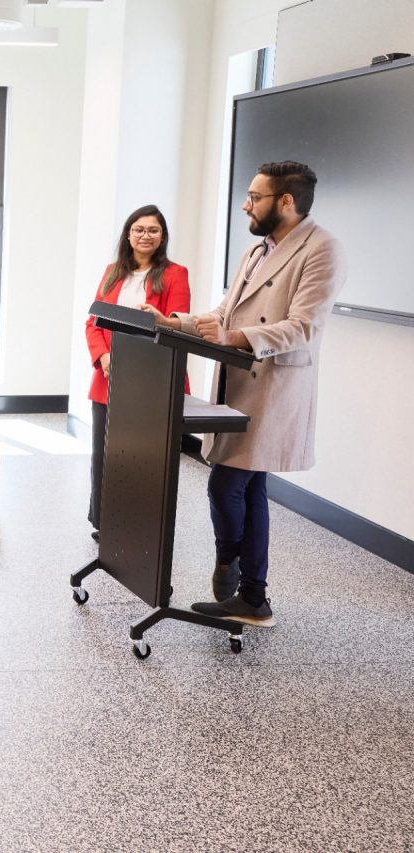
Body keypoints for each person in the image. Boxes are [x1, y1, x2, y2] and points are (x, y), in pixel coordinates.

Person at [142, 161, 346, 627]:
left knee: (225, 483)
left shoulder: (322, 249)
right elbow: (224, 313)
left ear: (286, 202)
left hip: (274, 387)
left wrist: (235, 337)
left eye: (255, 196)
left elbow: (304, 327)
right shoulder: (258, 251)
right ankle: (253, 597)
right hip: (240, 382)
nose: (245, 204)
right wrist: (172, 322)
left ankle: (229, 563)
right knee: (249, 486)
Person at [83, 204, 190, 540]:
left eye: (153, 230)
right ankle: (104, 522)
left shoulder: (176, 274)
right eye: (139, 229)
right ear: (128, 235)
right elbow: (93, 322)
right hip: (110, 378)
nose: (146, 236)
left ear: (162, 237)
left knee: (145, 456)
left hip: (152, 380)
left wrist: (159, 317)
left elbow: (180, 325)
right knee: (105, 454)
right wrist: (103, 358)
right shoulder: (113, 271)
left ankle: (143, 523)